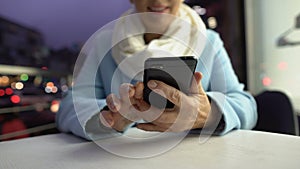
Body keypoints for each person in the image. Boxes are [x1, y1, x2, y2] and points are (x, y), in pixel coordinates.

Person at [56, 0, 257, 140]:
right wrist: (106, 118)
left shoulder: (209, 42)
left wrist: (209, 114)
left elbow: (245, 103)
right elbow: (68, 107)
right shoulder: (104, 44)